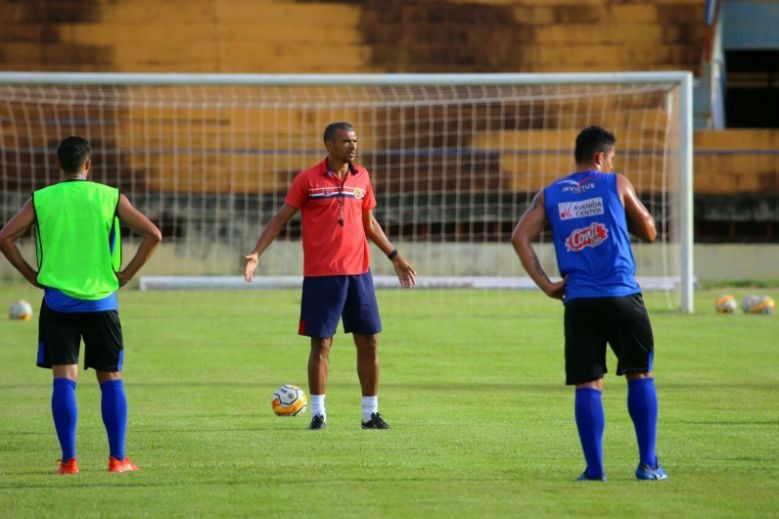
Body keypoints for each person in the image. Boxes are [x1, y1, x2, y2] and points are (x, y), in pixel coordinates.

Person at [511, 125, 667, 481]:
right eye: (611, 159)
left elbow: (519, 237)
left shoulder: (550, 194)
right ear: (600, 157)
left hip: (579, 299)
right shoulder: (616, 183)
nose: (612, 165)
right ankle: (648, 464)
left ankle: (595, 471)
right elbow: (650, 229)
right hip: (622, 295)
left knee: (588, 383)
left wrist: (547, 285)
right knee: (639, 373)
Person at [0, 136, 162, 474]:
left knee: (64, 378)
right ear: (88, 165)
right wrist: (127, 274)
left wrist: (31, 274)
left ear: (58, 166)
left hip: (58, 303)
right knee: (111, 378)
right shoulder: (109, 196)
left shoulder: (42, 199)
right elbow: (153, 234)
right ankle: (118, 459)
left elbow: (4, 237)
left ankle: (69, 461)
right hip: (102, 302)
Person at [244, 122, 416, 430]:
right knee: (321, 344)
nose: (352, 146)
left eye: (355, 140)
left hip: (359, 274)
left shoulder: (362, 177)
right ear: (329, 145)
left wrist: (395, 257)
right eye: (345, 141)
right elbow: (280, 218)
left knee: (369, 342)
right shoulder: (307, 179)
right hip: (322, 275)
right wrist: (257, 253)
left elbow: (370, 223)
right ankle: (318, 414)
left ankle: (370, 414)